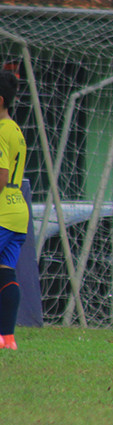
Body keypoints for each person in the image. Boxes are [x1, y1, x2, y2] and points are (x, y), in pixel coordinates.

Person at [0, 70, 27, 351]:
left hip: (2, 211)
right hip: (18, 210)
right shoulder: (16, 130)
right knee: (5, 272)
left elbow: (1, 175)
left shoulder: (0, 131)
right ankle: (7, 338)